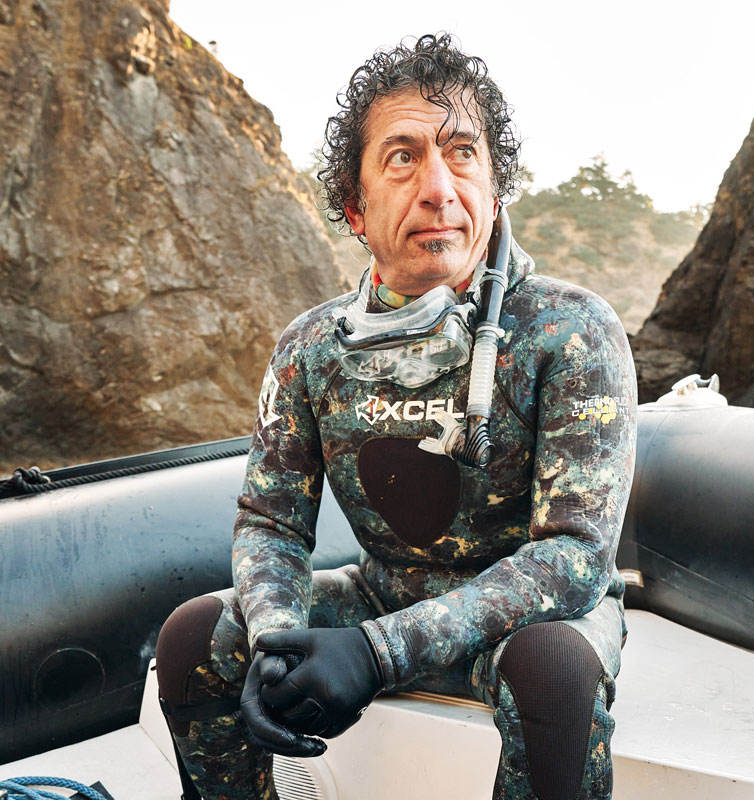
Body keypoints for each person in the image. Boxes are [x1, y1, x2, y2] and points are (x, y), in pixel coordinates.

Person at [155, 33, 637, 800]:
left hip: (522, 623)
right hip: (381, 592)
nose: (440, 187)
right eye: (404, 157)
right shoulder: (312, 348)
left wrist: (375, 654)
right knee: (191, 639)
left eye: (463, 153)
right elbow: (271, 521)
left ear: (495, 187)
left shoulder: (570, 330)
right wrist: (277, 637)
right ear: (355, 205)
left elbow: (577, 555)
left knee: (553, 672)